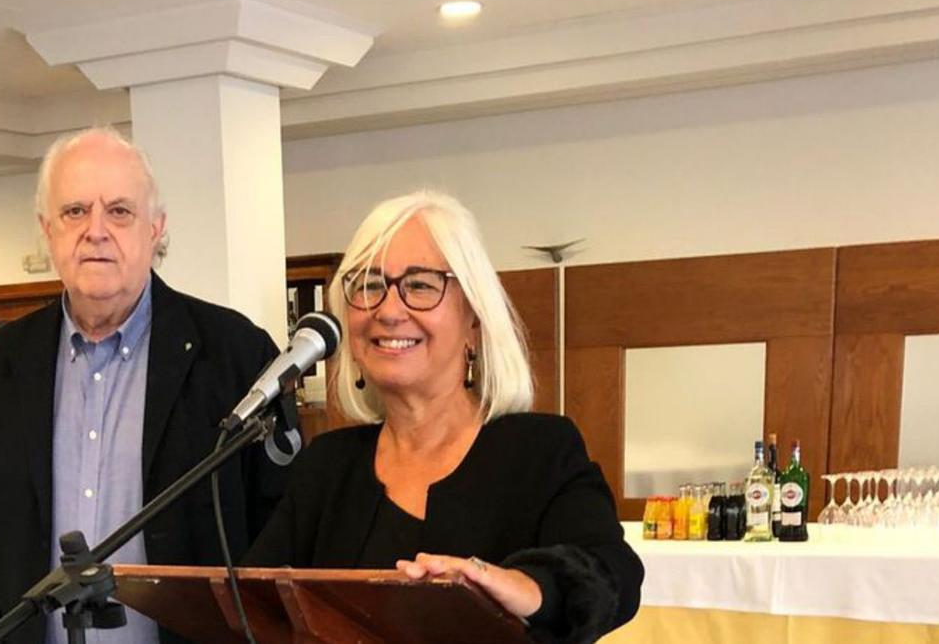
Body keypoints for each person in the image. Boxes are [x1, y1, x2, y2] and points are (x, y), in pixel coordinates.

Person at [243, 191, 643, 643]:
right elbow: (250, 605)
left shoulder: (539, 449)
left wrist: (527, 586)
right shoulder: (328, 465)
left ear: (473, 319)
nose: (389, 311)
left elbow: (616, 574)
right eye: (370, 285)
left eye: (420, 285)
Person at [0, 127, 292, 644]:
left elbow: (280, 537)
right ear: (48, 229)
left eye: (120, 211)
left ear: (156, 227)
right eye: (75, 211)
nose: (96, 230)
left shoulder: (237, 354)